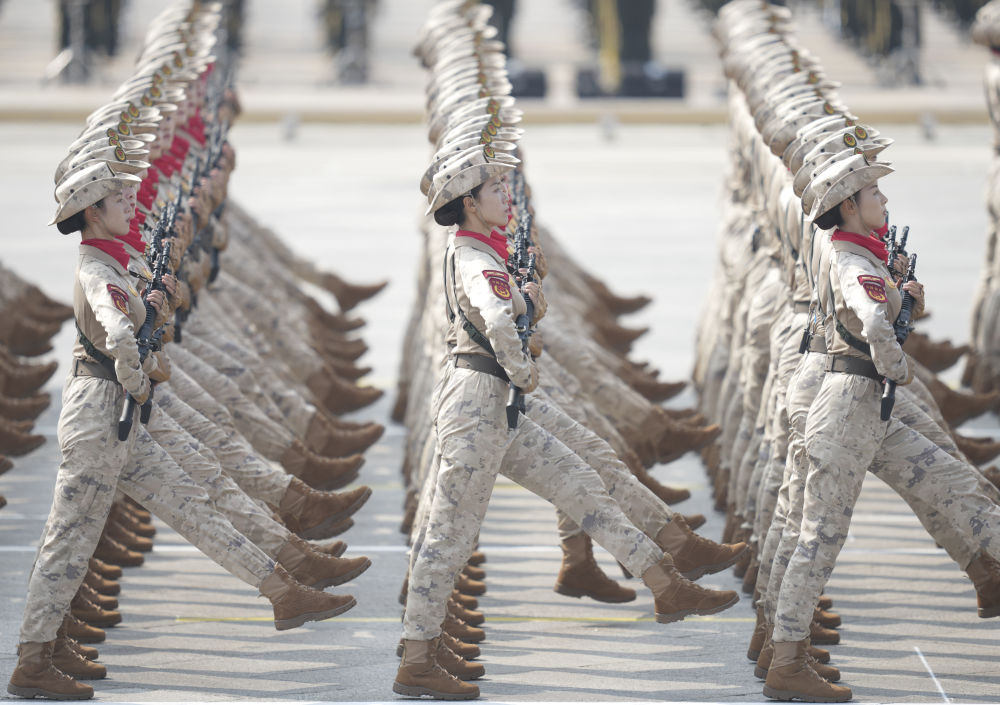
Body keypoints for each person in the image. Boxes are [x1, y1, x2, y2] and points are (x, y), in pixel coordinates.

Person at [393, 147, 739, 701]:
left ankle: (665, 582)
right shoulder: (477, 260)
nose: (505, 196)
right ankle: (417, 659)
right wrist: (523, 368)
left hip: (492, 401)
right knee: (448, 536)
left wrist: (530, 303)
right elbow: (497, 320)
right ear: (470, 204)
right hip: (479, 403)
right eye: (494, 190)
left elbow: (508, 313)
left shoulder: (482, 250)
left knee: (580, 481)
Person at [7, 163, 356, 701]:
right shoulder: (97, 271)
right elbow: (118, 334)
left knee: (192, 501)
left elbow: (137, 324)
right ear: (92, 213)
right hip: (100, 414)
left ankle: (282, 590)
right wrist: (137, 379)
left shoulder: (116, 261)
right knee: (69, 540)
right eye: (119, 199)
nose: (132, 204)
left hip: (115, 412)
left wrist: (157, 306)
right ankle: (34, 660)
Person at [765, 154, 1000, 702]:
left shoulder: (856, 253)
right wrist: (899, 365)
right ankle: (786, 662)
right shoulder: (853, 261)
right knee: (819, 540)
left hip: (866, 408)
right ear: (850, 206)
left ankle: (986, 572)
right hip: (849, 411)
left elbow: (874, 314)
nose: (884, 201)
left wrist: (903, 303)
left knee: (961, 487)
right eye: (875, 194)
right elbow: (871, 322)